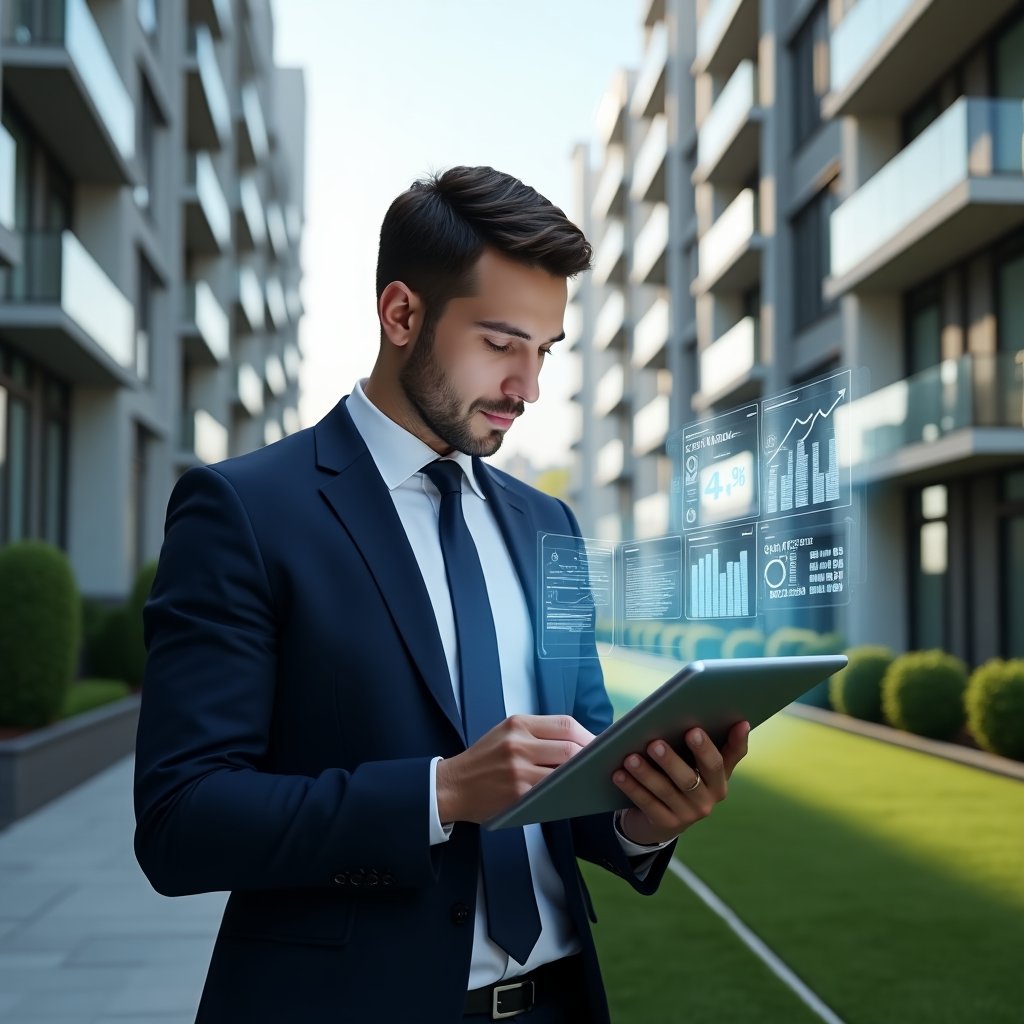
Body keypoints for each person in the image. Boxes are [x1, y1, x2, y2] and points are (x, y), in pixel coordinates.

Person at [134, 165, 749, 1024]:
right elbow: (181, 820)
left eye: (545, 352)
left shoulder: (552, 527)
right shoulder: (243, 510)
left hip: (560, 1004)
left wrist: (647, 814)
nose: (528, 388)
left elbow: (577, 764)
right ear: (401, 315)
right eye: (501, 344)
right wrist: (441, 793)